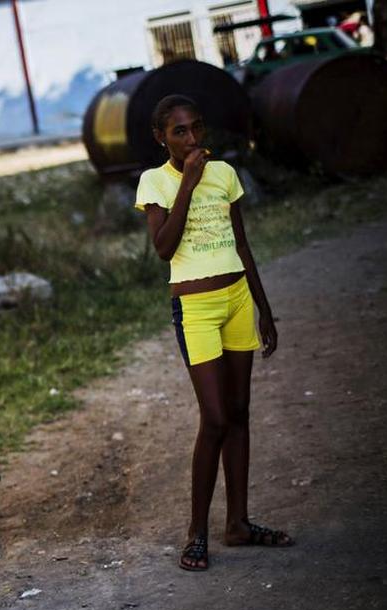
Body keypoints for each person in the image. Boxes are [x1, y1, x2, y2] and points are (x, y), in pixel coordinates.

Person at [134, 95, 293, 572]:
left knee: (240, 412)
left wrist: (264, 309)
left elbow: (241, 243)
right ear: (161, 137)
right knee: (216, 417)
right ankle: (196, 532)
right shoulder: (155, 181)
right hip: (196, 308)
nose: (192, 139)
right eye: (180, 132)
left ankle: (238, 524)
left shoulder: (224, 174)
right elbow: (164, 248)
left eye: (197, 128)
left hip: (238, 300)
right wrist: (189, 183)